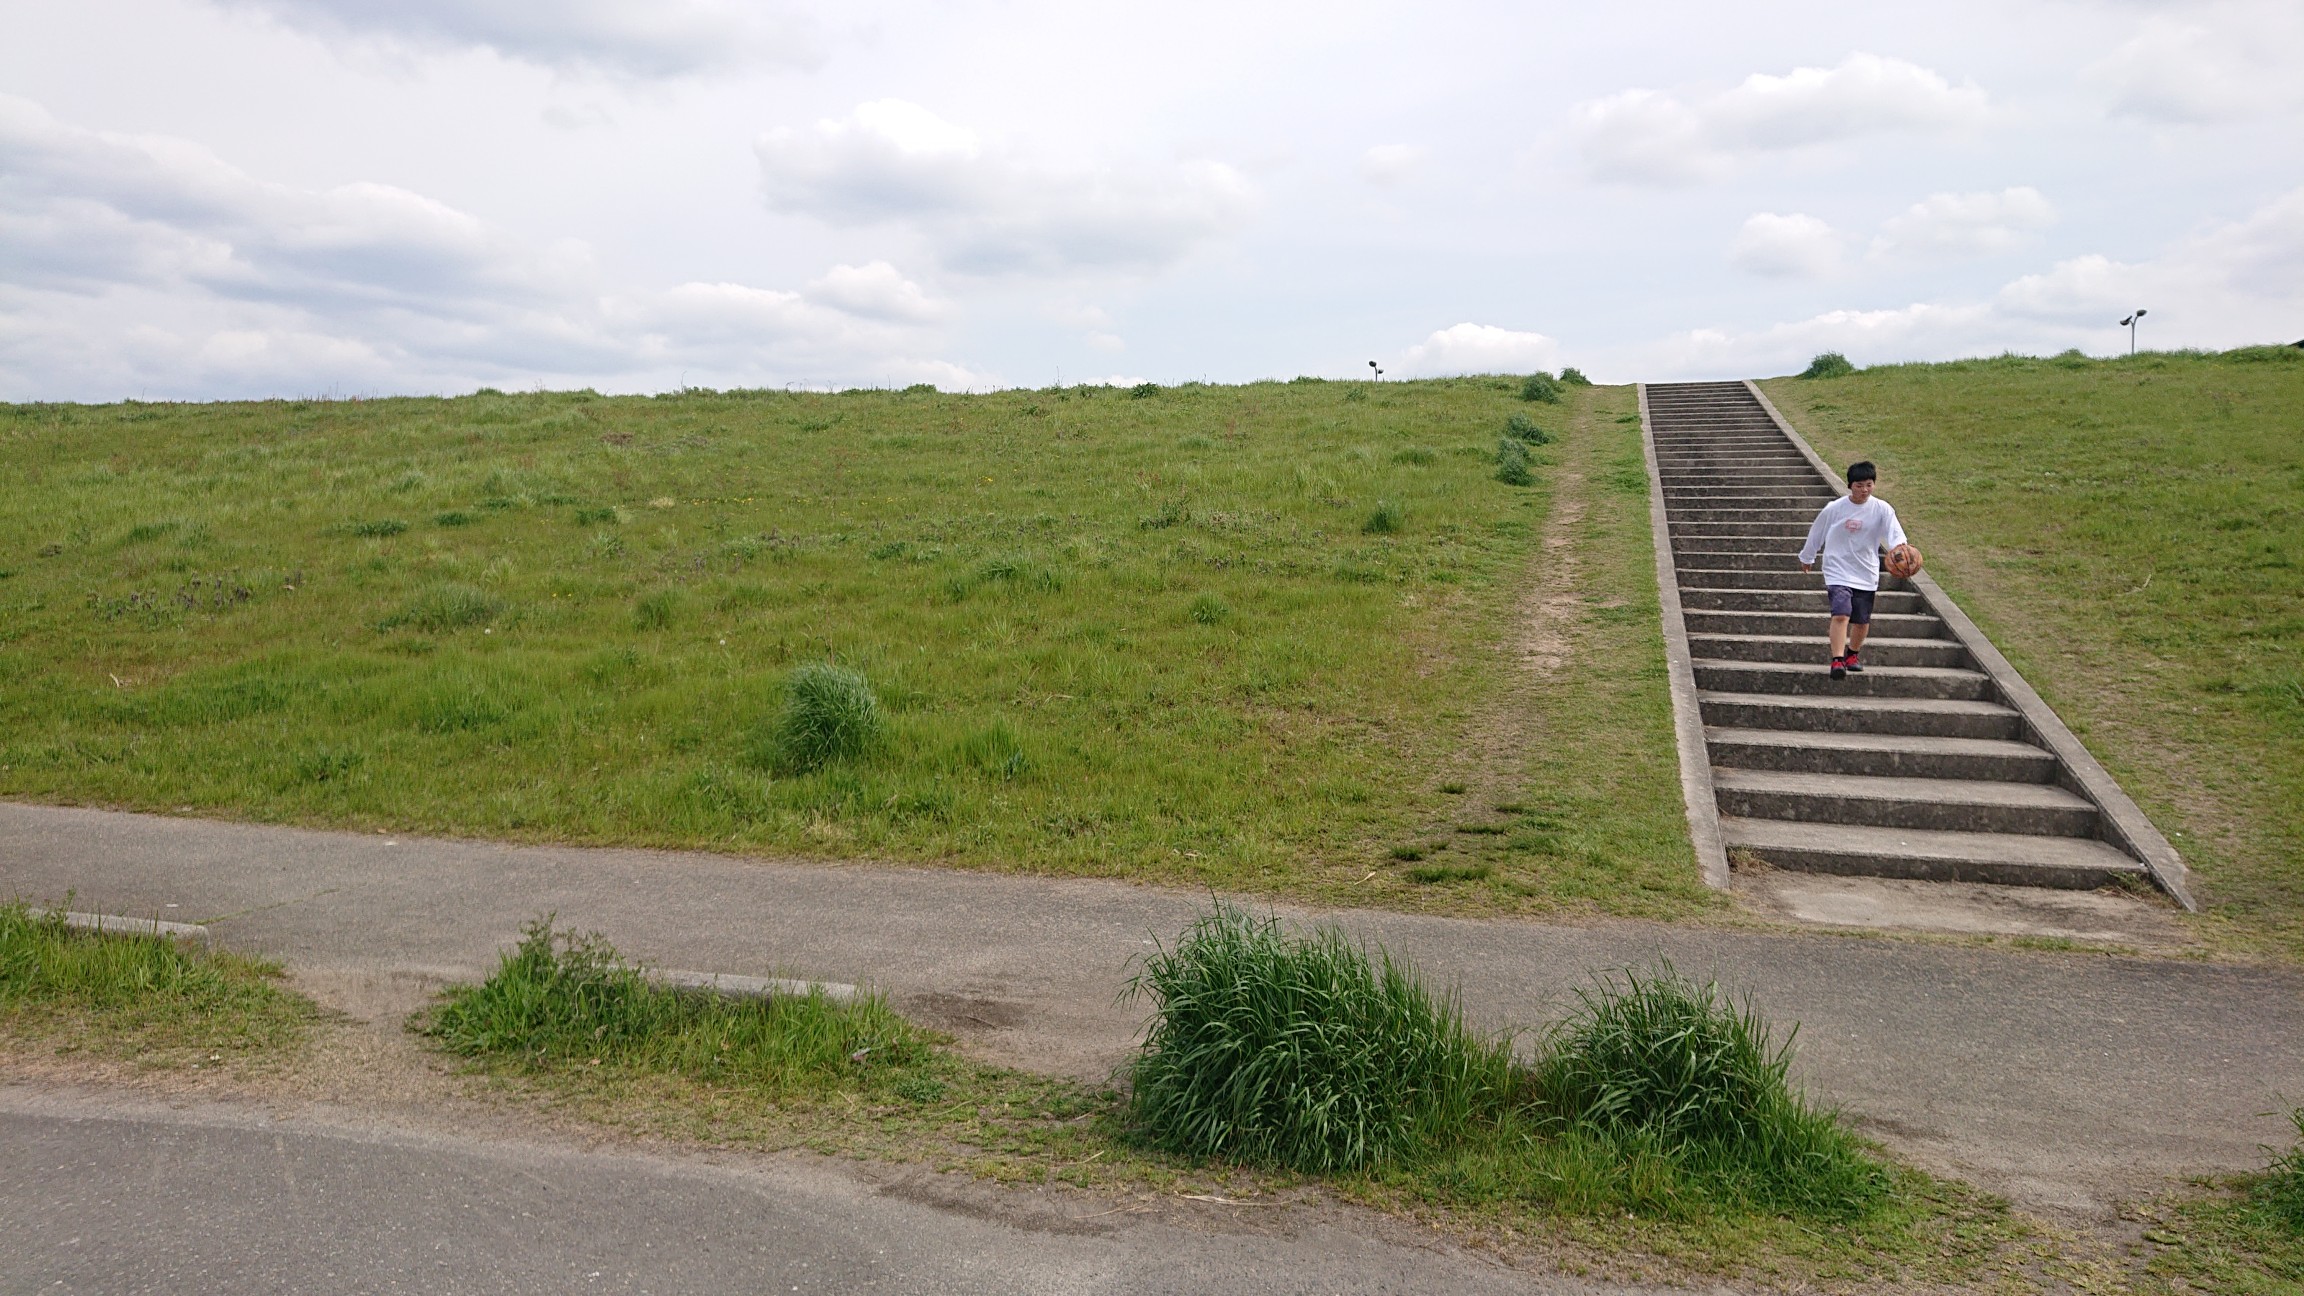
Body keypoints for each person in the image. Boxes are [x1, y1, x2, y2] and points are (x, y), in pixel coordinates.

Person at [1798, 461, 1907, 680]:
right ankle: (1837, 659)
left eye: (1869, 484)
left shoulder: (1882, 509)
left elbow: (1895, 534)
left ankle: (1852, 655)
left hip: (1865, 571)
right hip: (1838, 568)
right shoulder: (1835, 508)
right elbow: (1817, 532)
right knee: (1841, 613)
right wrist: (1807, 556)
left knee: (1861, 620)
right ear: (1850, 485)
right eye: (1859, 485)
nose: (1864, 490)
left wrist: (1900, 550)